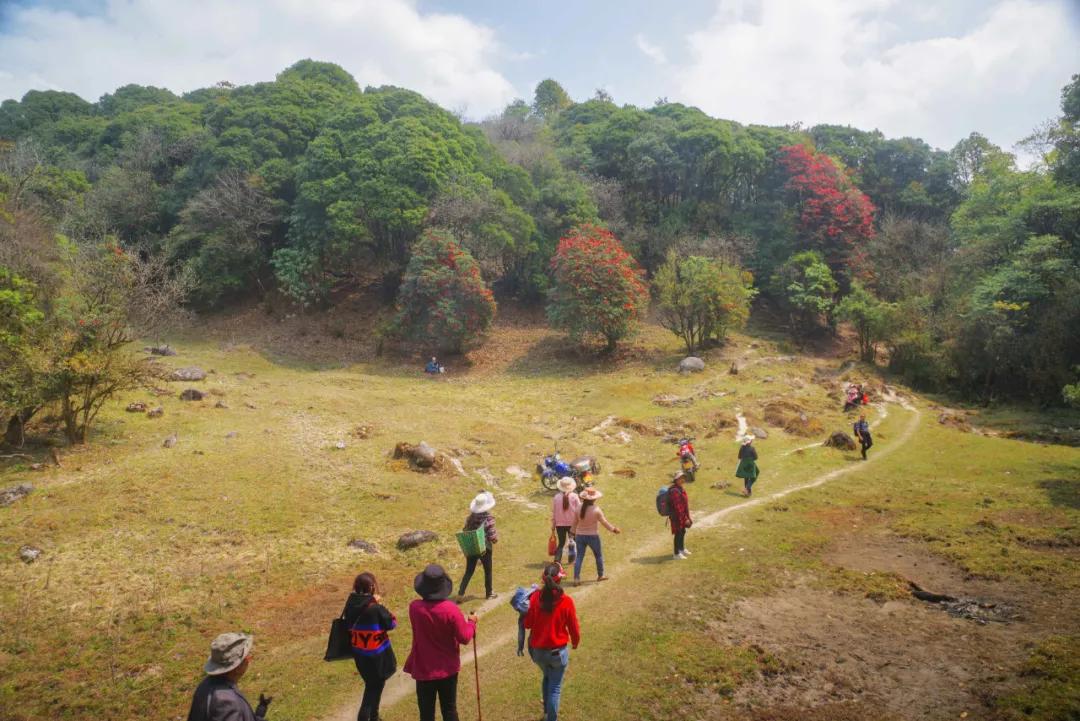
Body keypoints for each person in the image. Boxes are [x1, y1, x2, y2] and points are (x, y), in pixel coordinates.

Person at [404, 564, 478, 721]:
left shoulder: (414, 608)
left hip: (423, 668)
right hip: (447, 668)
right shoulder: (451, 610)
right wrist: (471, 623)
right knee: (449, 709)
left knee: (426, 713)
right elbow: (464, 637)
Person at [523, 563, 581, 721]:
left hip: (538, 653)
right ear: (560, 580)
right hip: (557, 653)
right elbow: (573, 627)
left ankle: (547, 713)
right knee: (555, 687)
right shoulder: (566, 601)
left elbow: (527, 624)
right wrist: (575, 642)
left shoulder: (535, 598)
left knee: (547, 677)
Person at [343, 572, 397, 721]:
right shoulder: (374, 608)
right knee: (373, 688)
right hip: (376, 657)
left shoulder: (350, 603)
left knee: (373, 685)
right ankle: (366, 717)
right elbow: (392, 623)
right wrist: (379, 605)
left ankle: (374, 716)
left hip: (359, 655)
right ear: (372, 587)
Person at [186, 632, 272, 721]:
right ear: (237, 667)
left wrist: (258, 715)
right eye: (247, 658)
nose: (249, 661)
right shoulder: (228, 703)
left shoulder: (206, 685)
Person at [569, 487, 621, 585]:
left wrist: (571, 533)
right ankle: (600, 575)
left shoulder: (578, 508)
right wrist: (613, 529)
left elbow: (574, 523)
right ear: (594, 499)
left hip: (580, 536)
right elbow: (604, 522)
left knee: (579, 557)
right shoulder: (596, 510)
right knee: (598, 555)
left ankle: (576, 579)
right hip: (593, 536)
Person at [458, 491, 498, 599]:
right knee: (487, 571)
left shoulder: (470, 518)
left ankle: (460, 593)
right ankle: (489, 593)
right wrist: (494, 539)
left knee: (469, 571)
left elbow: (465, 530)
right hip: (484, 548)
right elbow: (493, 537)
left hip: (471, 547)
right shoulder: (489, 518)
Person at [551, 477, 580, 564]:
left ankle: (557, 560)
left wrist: (553, 525)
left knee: (561, 543)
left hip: (559, 525)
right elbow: (579, 509)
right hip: (572, 524)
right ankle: (571, 559)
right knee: (572, 541)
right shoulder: (574, 496)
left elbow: (554, 512)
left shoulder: (556, 497)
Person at [668, 471, 693, 559]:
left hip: (681, 515)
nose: (682, 480)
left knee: (682, 531)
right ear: (676, 480)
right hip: (677, 516)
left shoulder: (680, 488)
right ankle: (676, 554)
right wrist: (685, 518)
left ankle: (681, 549)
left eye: (683, 478)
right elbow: (678, 507)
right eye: (680, 478)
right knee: (678, 533)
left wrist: (686, 516)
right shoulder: (674, 491)